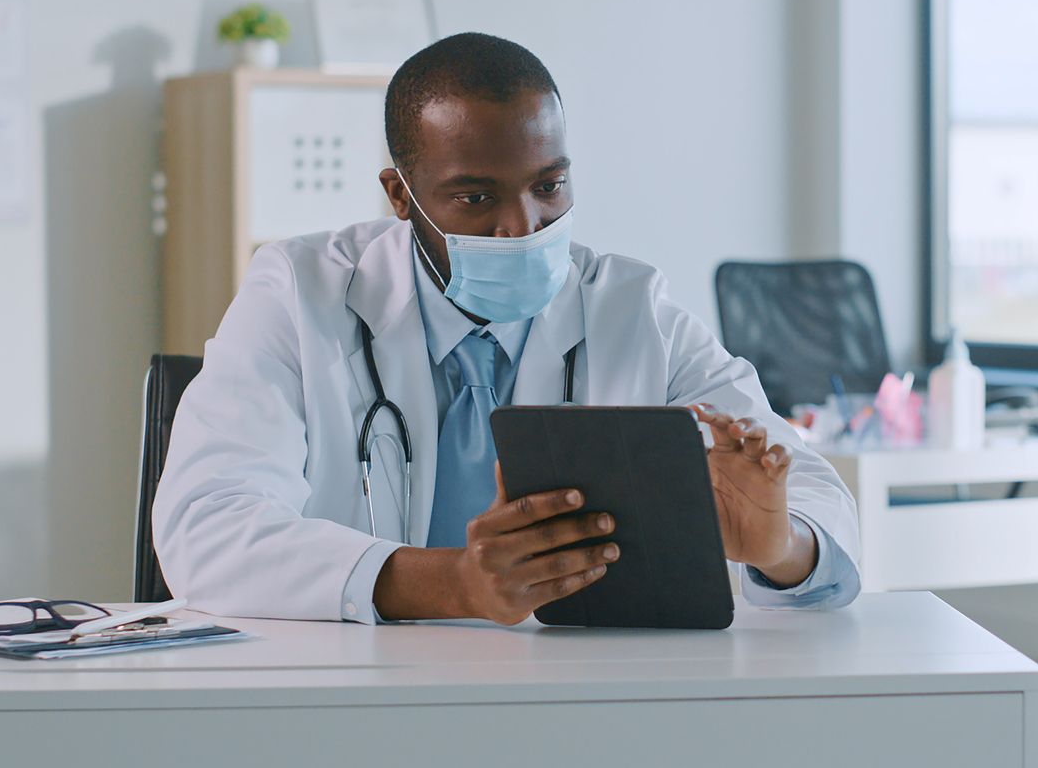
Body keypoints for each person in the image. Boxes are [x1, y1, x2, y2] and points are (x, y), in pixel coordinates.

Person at [152, 33, 860, 624]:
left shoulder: (631, 307)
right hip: (355, 698)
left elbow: (814, 494)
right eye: (475, 196)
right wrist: (454, 583)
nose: (522, 227)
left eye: (548, 186)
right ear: (400, 194)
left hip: (571, 704)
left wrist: (782, 545)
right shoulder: (300, 292)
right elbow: (205, 528)